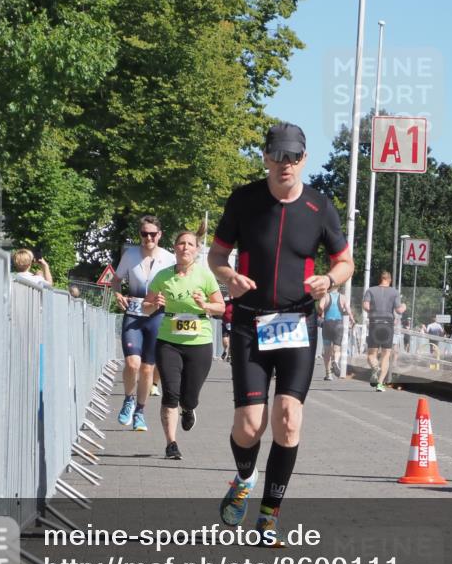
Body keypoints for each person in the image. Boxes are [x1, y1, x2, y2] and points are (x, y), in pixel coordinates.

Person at [209, 122, 354, 541]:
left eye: (292, 157)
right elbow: (218, 254)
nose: (284, 164)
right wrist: (227, 276)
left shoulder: (319, 207)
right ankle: (242, 478)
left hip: (298, 324)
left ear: (304, 159)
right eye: (277, 156)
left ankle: (270, 512)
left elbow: (345, 262)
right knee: (249, 426)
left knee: (288, 420)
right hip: (250, 324)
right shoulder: (244, 201)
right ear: (265, 157)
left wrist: (330, 280)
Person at [144, 225, 224, 460]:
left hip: (199, 341)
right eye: (181, 243)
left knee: (189, 397)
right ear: (175, 248)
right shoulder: (162, 276)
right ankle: (171, 444)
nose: (185, 247)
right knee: (170, 394)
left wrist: (205, 306)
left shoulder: (205, 275)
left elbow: (221, 307)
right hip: (168, 340)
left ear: (197, 250)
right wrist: (154, 304)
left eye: (190, 244)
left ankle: (189, 408)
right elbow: (146, 308)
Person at [112, 215, 176, 432]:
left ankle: (140, 411)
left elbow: (177, 286)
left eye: (152, 234)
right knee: (132, 364)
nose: (148, 238)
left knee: (148, 369)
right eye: (144, 234)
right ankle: (129, 399)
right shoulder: (130, 255)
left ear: (159, 235)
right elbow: (116, 279)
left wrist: (168, 299)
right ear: (139, 235)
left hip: (157, 316)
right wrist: (117, 294)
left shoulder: (169, 259)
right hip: (133, 315)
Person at [362, 271, 406, 392]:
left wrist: (374, 311)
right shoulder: (394, 292)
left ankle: (375, 368)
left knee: (371, 354)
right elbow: (399, 310)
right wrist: (404, 306)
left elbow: (366, 306)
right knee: (386, 355)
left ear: (380, 279)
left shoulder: (370, 290)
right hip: (388, 325)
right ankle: (380, 384)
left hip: (374, 323)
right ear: (390, 280)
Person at [318, 286, 353, 380]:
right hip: (338, 325)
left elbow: (321, 306)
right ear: (338, 288)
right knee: (337, 348)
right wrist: (352, 319)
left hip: (327, 324)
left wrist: (321, 313)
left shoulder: (325, 296)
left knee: (327, 351)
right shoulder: (343, 297)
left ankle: (328, 374)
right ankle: (336, 361)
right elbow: (348, 309)